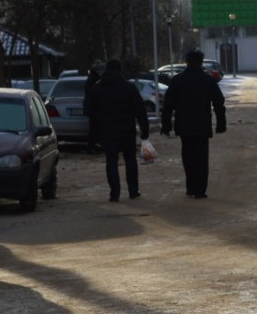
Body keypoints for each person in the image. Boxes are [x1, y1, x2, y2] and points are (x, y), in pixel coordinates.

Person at [161, 49, 226, 199]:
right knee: (201, 157)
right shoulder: (207, 80)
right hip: (202, 124)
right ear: (201, 62)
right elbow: (218, 102)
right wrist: (221, 123)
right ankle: (200, 190)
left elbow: (168, 105)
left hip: (184, 125)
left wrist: (166, 125)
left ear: (187, 62)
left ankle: (190, 187)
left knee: (188, 156)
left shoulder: (178, 80)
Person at [85, 58, 150, 202]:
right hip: (127, 130)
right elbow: (140, 110)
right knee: (130, 159)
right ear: (120, 70)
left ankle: (114, 193)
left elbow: (91, 112)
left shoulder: (98, 88)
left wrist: (93, 135)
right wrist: (144, 129)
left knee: (111, 161)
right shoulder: (129, 88)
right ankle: (133, 190)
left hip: (107, 131)